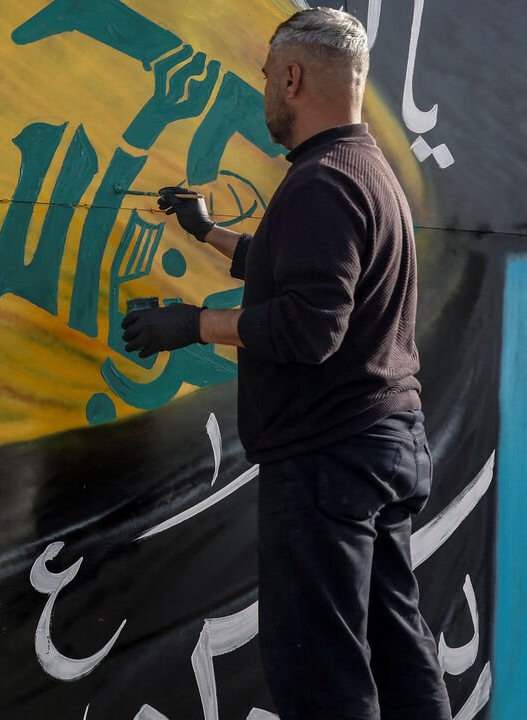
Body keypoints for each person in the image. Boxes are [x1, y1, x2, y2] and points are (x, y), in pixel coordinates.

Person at [121, 8, 452, 720]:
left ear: (293, 78)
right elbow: (294, 268)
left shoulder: (322, 183)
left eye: (270, 74)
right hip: (381, 449)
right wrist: (206, 232)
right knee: (399, 652)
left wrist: (193, 325)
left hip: (329, 462)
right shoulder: (363, 172)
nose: (266, 86)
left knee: (322, 676)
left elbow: (309, 326)